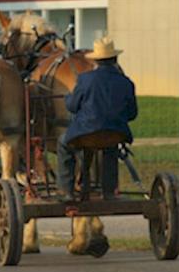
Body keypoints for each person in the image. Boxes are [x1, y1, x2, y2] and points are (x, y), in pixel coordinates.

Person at [57, 37, 138, 200]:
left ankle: (67, 191)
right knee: (110, 148)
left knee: (63, 143)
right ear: (115, 59)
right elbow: (132, 113)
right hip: (115, 133)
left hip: (85, 134)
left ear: (96, 61)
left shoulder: (85, 79)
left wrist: (68, 98)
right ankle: (109, 192)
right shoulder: (126, 82)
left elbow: (72, 106)